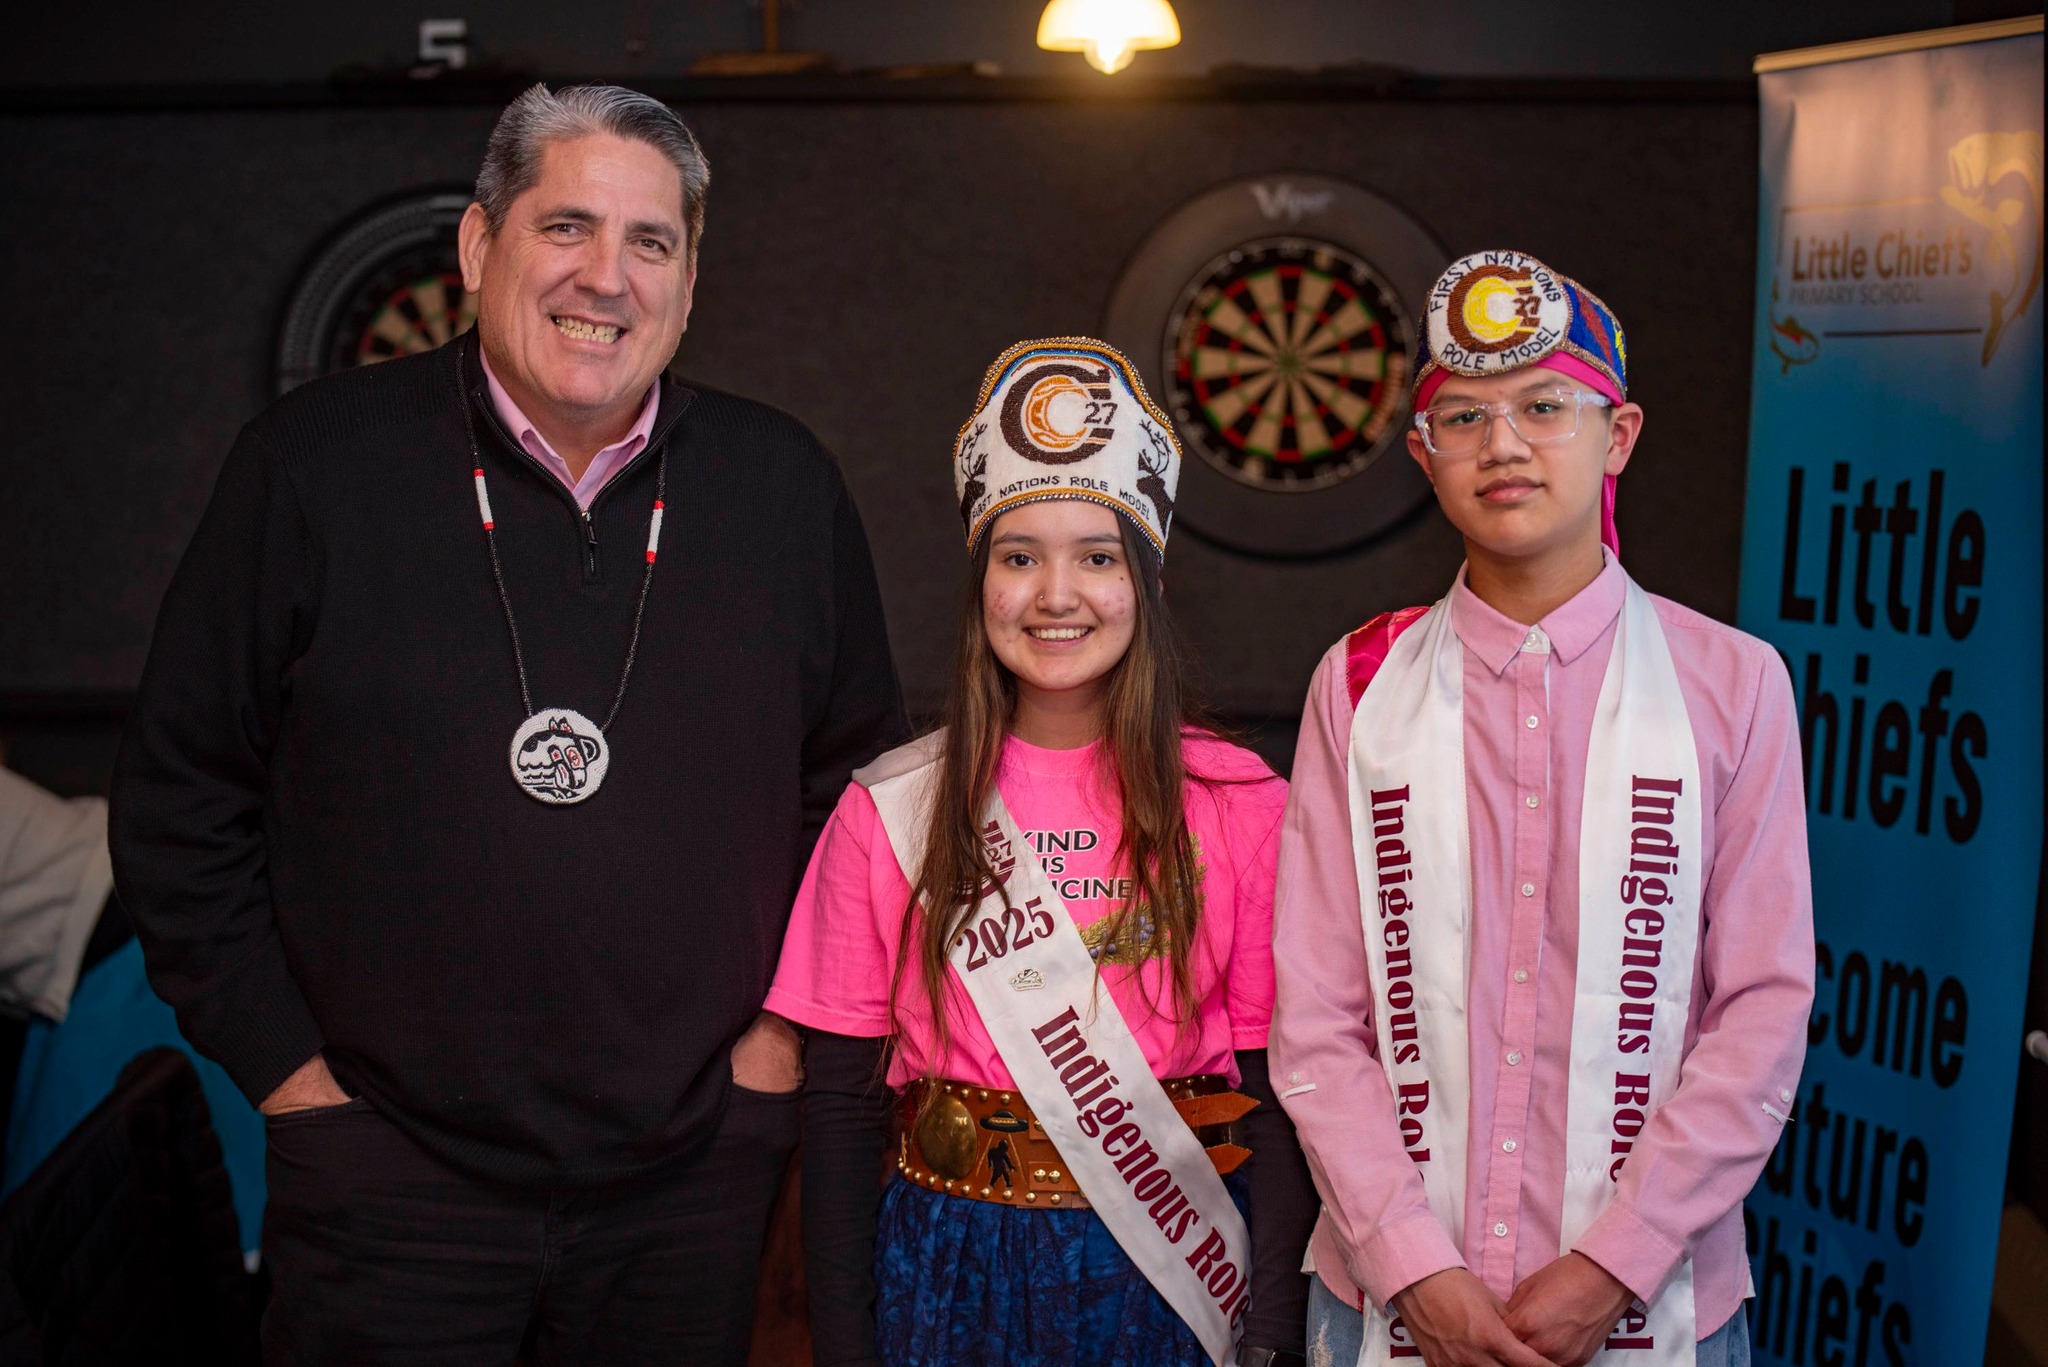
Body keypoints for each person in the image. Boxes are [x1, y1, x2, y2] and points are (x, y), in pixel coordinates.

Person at [110, 83, 902, 1364]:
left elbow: (859, 808)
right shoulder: (310, 466)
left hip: (689, 1183)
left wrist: (774, 1054)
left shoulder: (783, 488)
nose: (606, 276)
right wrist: (293, 1084)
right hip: (384, 1180)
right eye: (566, 226)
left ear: (689, 284)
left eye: (650, 242)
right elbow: (179, 801)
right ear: (480, 245)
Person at [1271, 252, 1814, 1367]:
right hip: (1386, 1301)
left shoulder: (1730, 683)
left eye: (1545, 406)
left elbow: (1760, 1011)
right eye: (1463, 416)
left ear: (1618, 436)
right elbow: (1317, 1014)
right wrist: (1413, 1263)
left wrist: (1617, 1259)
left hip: (1659, 1303)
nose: (1503, 444)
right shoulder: (1361, 684)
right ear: (1424, 455)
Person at [763, 338, 1319, 1367]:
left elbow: (1279, 1090)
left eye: (1097, 557)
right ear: (981, 580)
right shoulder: (893, 806)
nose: (1055, 593)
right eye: (1018, 557)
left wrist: (1275, 1339)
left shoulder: (1241, 803)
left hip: (1170, 1266)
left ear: (1148, 580)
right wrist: (843, 1343)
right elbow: (837, 1101)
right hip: (946, 1258)